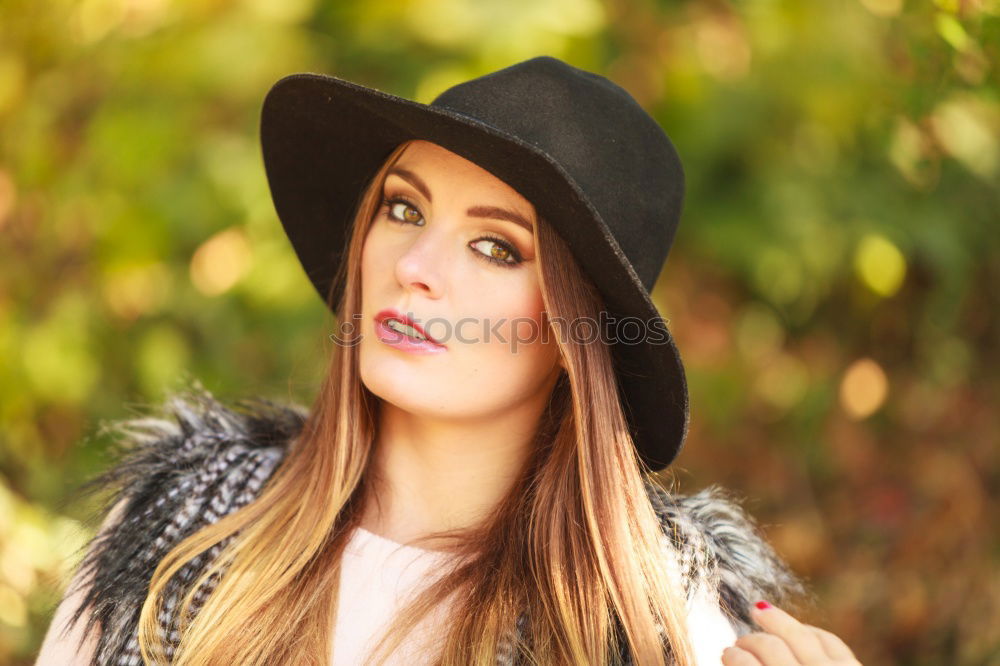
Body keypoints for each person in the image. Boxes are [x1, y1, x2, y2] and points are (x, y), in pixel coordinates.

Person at [35, 56, 862, 665]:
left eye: (497, 248)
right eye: (403, 207)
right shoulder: (177, 531)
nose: (415, 264)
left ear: (579, 336)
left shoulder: (660, 634)